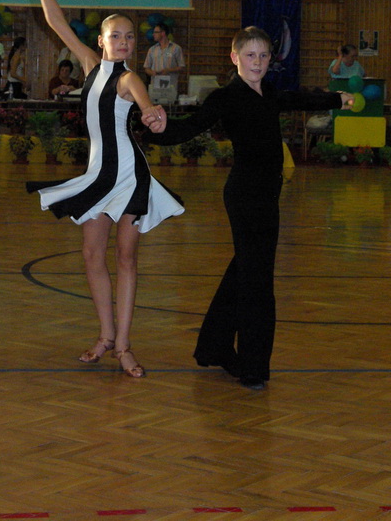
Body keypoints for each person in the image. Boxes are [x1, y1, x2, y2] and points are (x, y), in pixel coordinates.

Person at [145, 26, 353, 390]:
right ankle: (253, 365)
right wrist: (156, 128)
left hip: (268, 194)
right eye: (250, 55)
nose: (257, 62)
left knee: (244, 271)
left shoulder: (269, 92)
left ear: (270, 59)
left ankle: (214, 346)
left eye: (263, 55)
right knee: (257, 281)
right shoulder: (225, 97)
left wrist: (337, 99)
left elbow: (297, 98)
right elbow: (188, 128)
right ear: (235, 57)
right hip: (244, 196)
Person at [10, 0, 183, 379]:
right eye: (116, 36)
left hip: (129, 177)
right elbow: (57, 22)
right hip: (97, 176)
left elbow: (144, 103)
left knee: (125, 258)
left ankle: (123, 346)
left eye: (130, 37)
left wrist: (153, 115)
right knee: (91, 255)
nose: (124, 42)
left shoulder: (130, 79)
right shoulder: (89, 64)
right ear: (102, 41)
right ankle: (105, 336)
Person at [143, 22, 185, 103]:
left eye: (156, 32)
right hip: (155, 86)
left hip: (170, 85)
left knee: (170, 106)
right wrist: (152, 73)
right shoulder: (152, 49)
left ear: (163, 33)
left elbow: (182, 67)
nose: (153, 34)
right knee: (155, 107)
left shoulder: (176, 48)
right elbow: (146, 68)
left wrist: (168, 70)